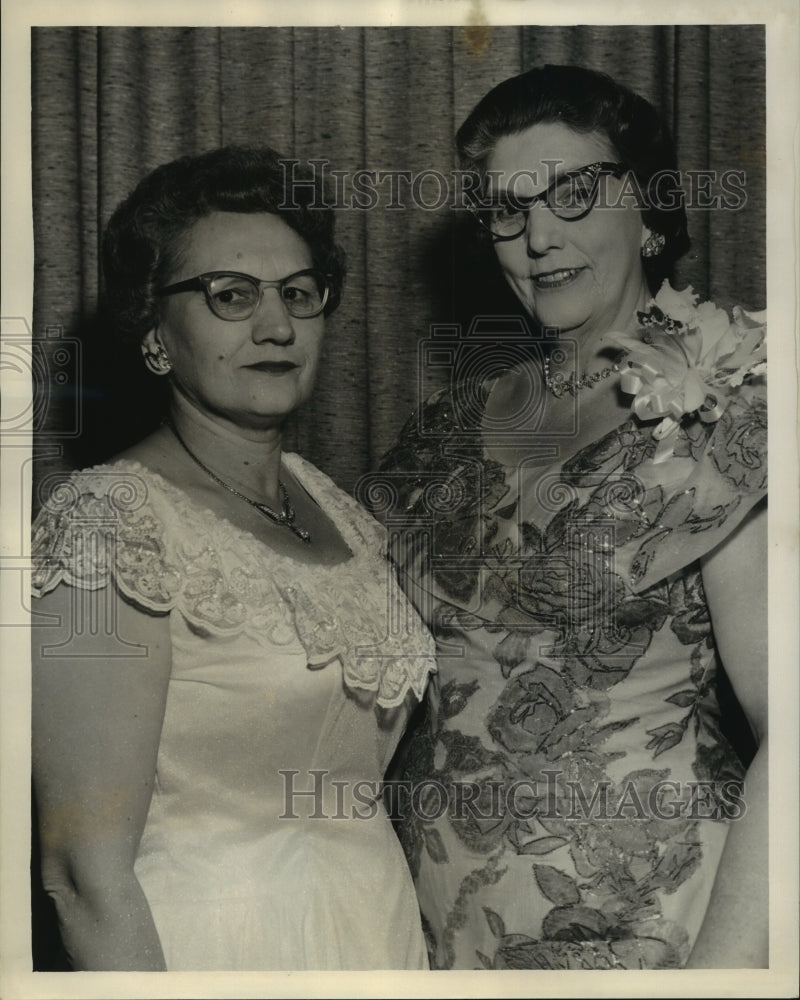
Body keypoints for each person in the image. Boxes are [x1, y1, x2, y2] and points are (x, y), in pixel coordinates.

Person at [377, 65, 767, 969]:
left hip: (656, 931)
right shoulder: (442, 432)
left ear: (652, 210)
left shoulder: (732, 408)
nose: (539, 237)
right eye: (507, 211)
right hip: (442, 929)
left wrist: (725, 976)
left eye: (575, 194)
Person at [30, 145, 435, 971]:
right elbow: (81, 874)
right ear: (153, 332)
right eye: (230, 295)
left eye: (298, 293)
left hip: (378, 939)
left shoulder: (339, 511)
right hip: (209, 954)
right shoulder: (108, 523)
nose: (277, 325)